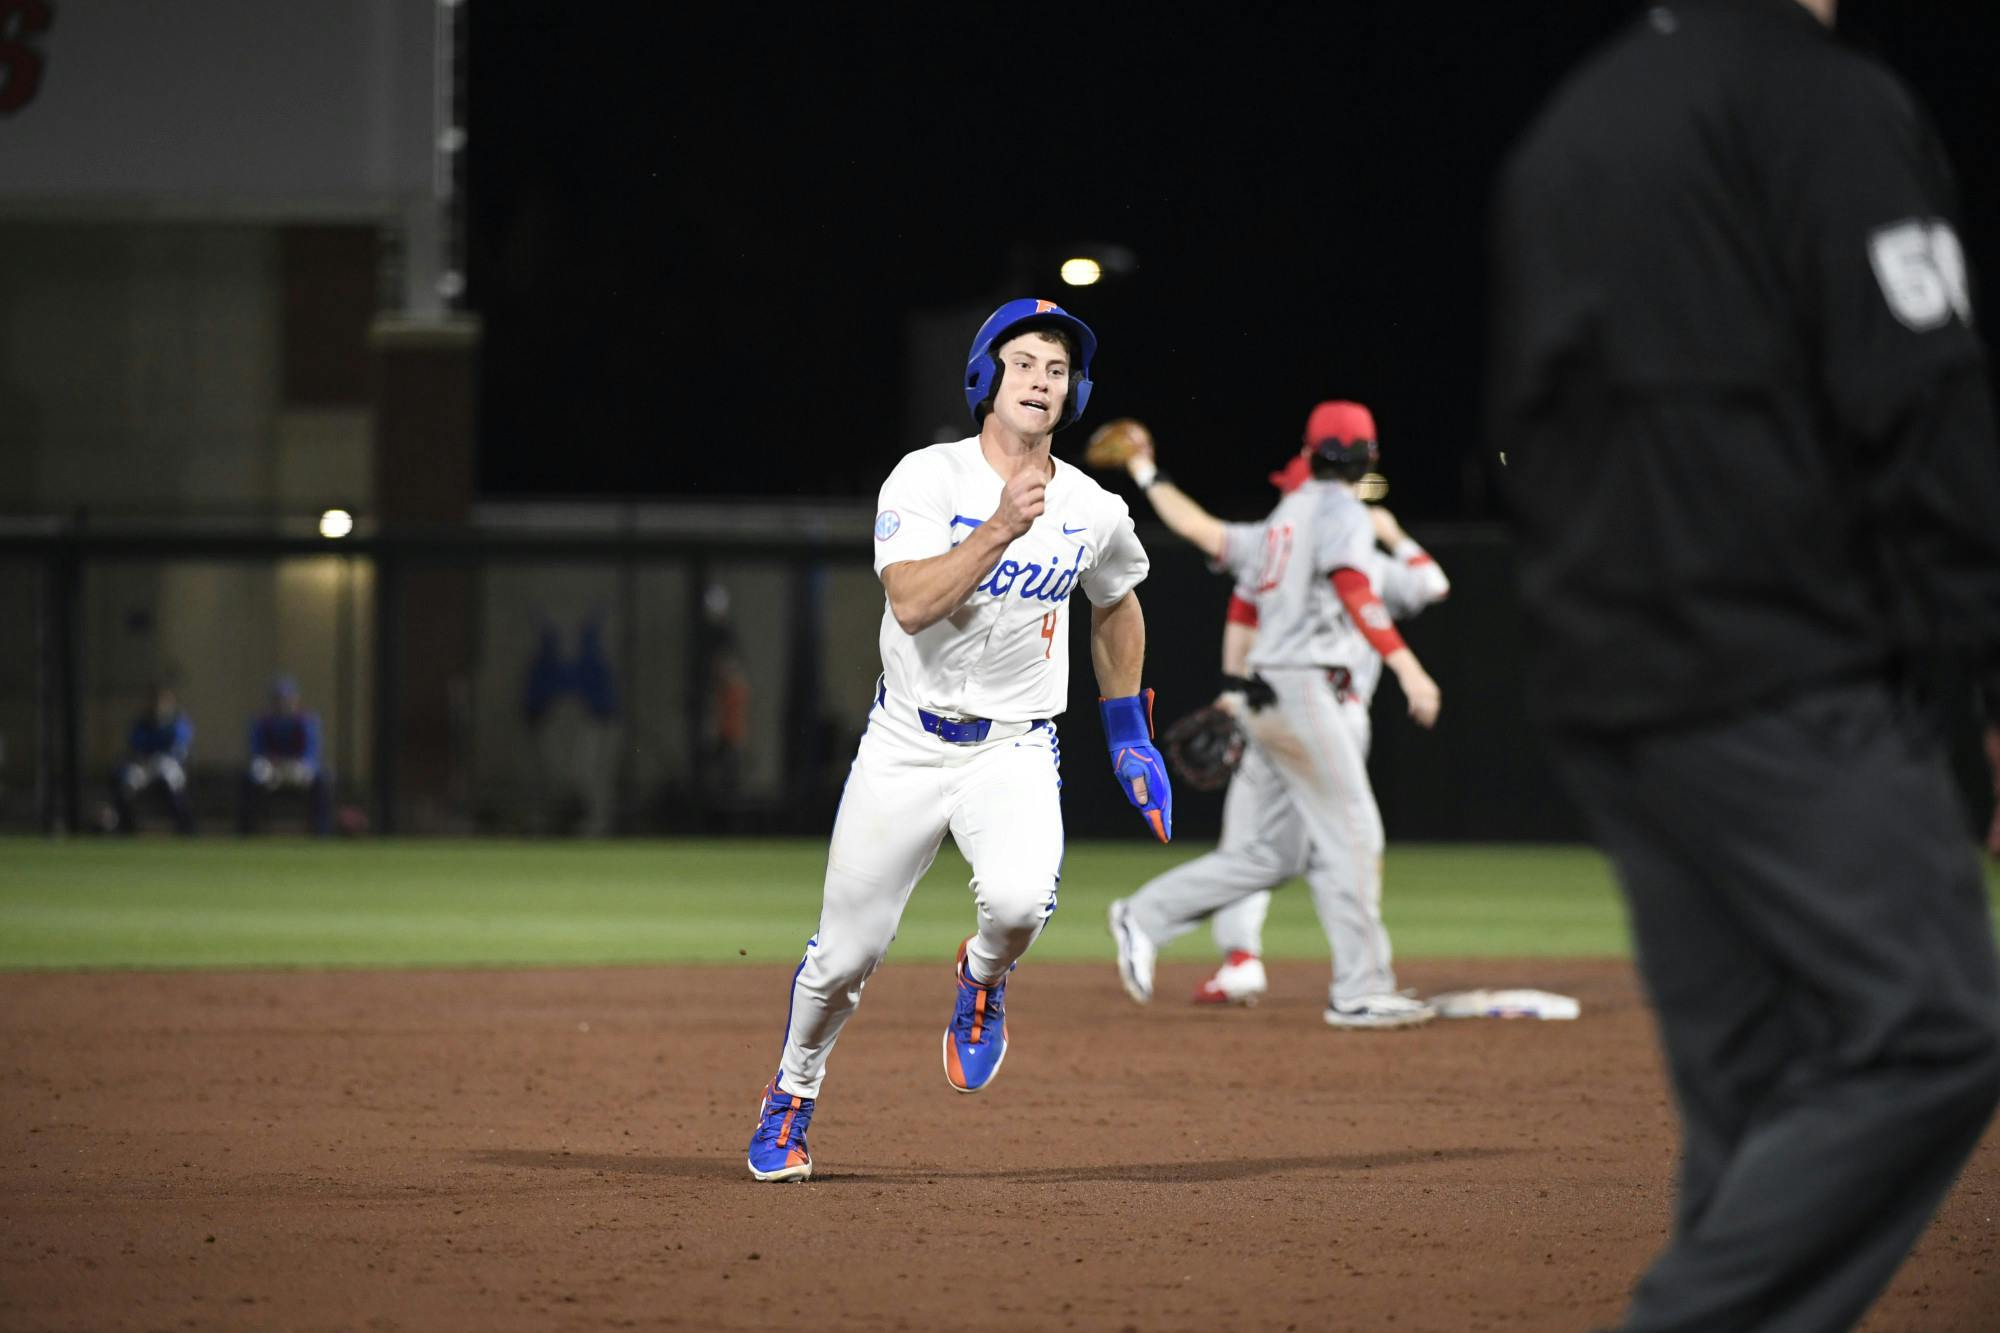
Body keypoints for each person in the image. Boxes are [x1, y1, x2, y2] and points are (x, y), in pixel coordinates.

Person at [1489, 2, 2000, 1328]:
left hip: (1614, 687)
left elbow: (1529, 435)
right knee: (1931, 1030)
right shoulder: (1823, 98)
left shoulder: (1577, 123)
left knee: (1762, 1101)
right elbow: (1922, 392)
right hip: (1787, 665)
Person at [747, 297, 1169, 1182]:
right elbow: (910, 600)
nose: (1041, 381)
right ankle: (791, 1096)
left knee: (1017, 905)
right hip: (904, 740)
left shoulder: (1093, 508)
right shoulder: (927, 478)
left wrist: (1128, 729)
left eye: (1057, 370)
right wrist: (1002, 527)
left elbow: (1119, 601)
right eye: (1023, 364)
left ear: (1074, 392)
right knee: (843, 958)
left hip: (1013, 745)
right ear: (986, 377)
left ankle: (981, 978)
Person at [1103, 402, 1444, 1028]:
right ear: (1369, 456)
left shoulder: (1289, 515)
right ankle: (1360, 989)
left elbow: (1208, 534)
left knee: (1272, 856)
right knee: (1353, 832)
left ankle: (1145, 915)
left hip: (1272, 692)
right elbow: (1352, 584)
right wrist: (1406, 666)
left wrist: (1150, 475)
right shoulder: (1341, 510)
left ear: (1310, 453)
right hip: (1307, 689)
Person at [238, 675, 333, 836]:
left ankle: (321, 832)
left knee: (322, 780)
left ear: (295, 699)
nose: (283, 703)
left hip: (296, 767)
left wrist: (294, 764)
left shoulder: (306, 720)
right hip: (272, 767)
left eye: (287, 698)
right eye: (279, 699)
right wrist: (271, 761)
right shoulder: (263, 721)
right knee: (250, 778)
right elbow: (256, 750)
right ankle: (248, 832)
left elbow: (310, 752)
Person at [109, 683, 197, 835]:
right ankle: (127, 826)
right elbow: (136, 744)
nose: (160, 705)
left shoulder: (177, 721)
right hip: (146, 763)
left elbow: (180, 747)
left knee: (174, 785)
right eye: (158, 701)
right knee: (126, 782)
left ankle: (185, 827)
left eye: (164, 702)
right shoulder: (144, 722)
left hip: (168, 762)